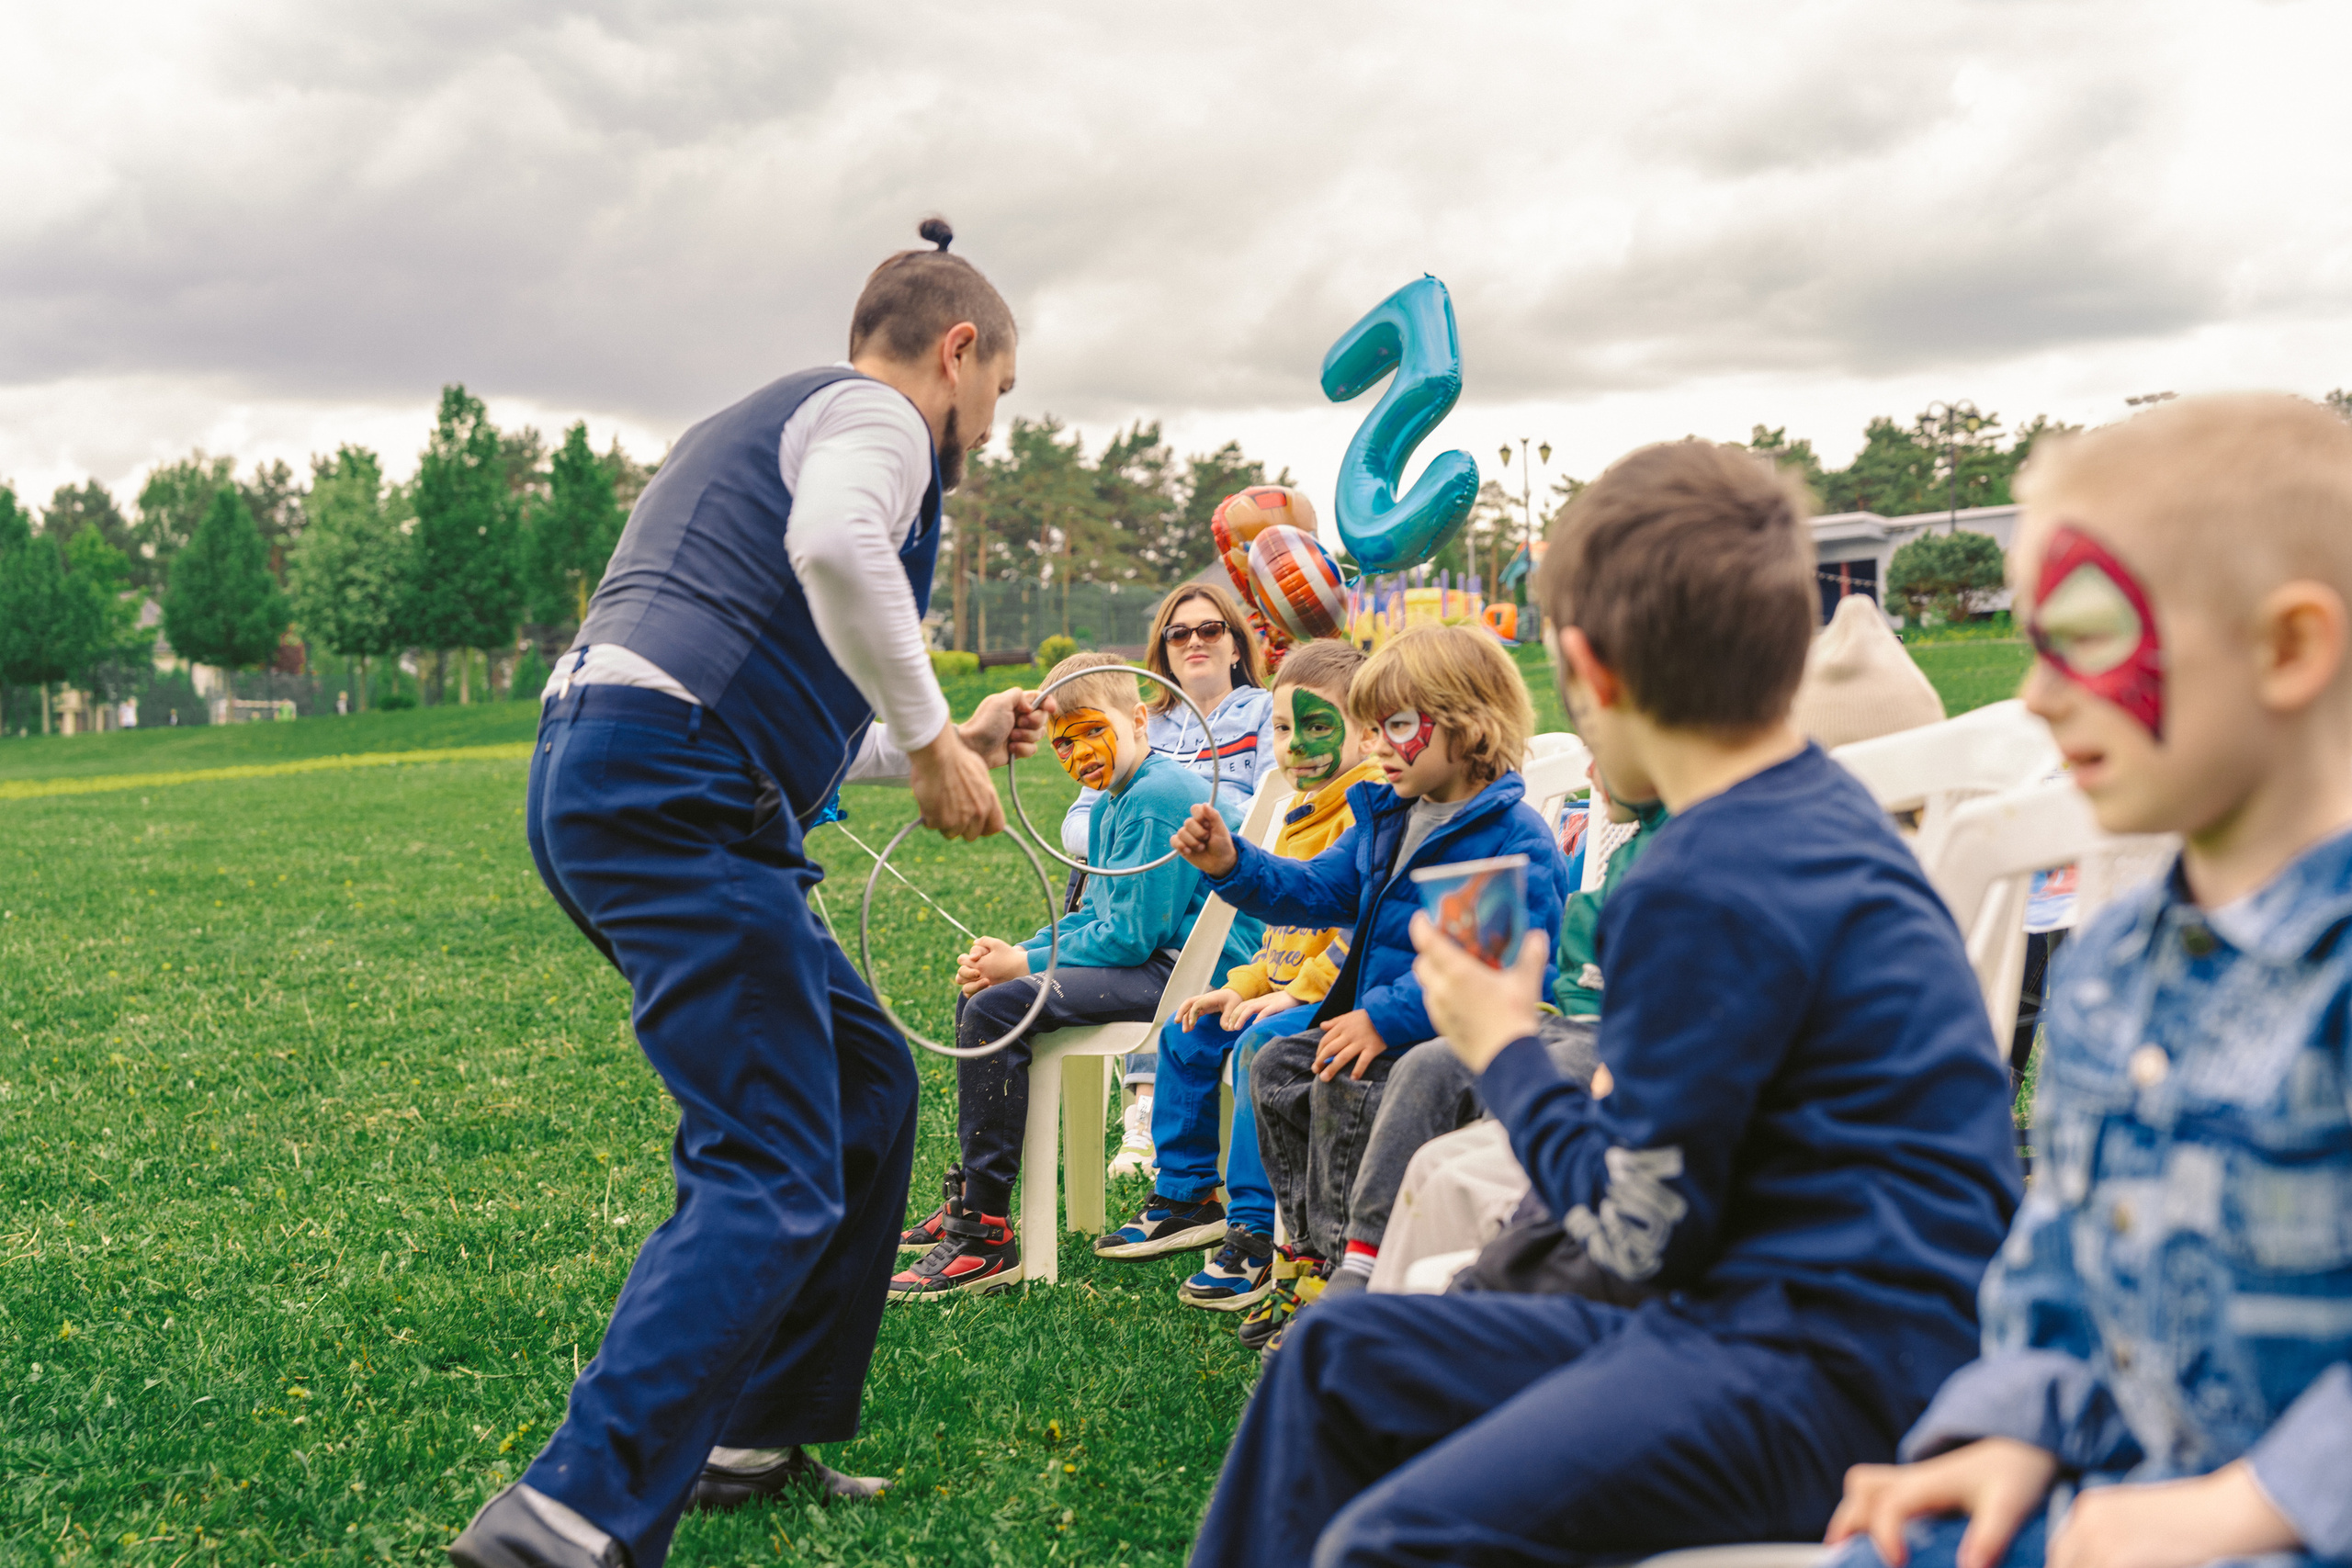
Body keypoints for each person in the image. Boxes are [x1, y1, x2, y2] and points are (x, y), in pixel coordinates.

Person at [1187, 439, 2023, 1568]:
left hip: (1812, 1380)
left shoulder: (1703, 880)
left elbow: (1637, 1233)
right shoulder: (1806, 819)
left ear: (1590, 671)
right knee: (1335, 1359)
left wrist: (1501, 1045)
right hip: (1786, 1325)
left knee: (1394, 1540)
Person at [450, 220, 1046, 1568]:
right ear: (956, 352)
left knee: (866, 1085)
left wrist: (942, 735)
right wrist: (934, 737)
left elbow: (776, 690)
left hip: (631, 764)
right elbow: (836, 547)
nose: (990, 429)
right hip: (676, 788)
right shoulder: (880, 420)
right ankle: (564, 1517)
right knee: (771, 1160)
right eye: (999, 393)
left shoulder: (766, 420)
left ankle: (750, 1438)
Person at [1826, 394, 2352, 1568]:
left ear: (2286, 649)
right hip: (2123, 1499)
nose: (2037, 693)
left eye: (2087, 636)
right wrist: (2017, 1425)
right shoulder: (2110, 967)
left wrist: (2252, 1503)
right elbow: (2060, 1260)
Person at [1170, 623, 1571, 1351]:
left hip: (1454, 1042)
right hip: (1382, 1027)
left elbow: (1480, 972)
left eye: (1398, 726)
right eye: (1373, 727)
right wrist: (1232, 863)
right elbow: (1311, 890)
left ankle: (1346, 1275)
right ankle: (1305, 1252)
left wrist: (1381, 1019)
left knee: (1343, 1080)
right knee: (1276, 1063)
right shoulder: (1390, 817)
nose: (1378, 745)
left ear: (1468, 726)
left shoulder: (1506, 835)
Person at [888, 653, 1261, 1299]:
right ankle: (975, 1199)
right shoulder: (1117, 799)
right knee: (987, 996)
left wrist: (1023, 966)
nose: (1079, 752)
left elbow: (1130, 937)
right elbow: (1097, 915)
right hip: (1154, 961)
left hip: (1191, 978)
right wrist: (1017, 952)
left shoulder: (1155, 798)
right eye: (1063, 743)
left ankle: (984, 1234)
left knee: (998, 1007)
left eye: (1093, 730)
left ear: (1138, 719)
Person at [1093, 638, 1386, 1310]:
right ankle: (1188, 1194)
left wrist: (1290, 995)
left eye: (1317, 726)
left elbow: (1360, 935)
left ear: (1368, 733)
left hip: (1341, 1002)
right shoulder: (1299, 811)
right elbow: (1280, 938)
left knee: (1260, 1046)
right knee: (1187, 1030)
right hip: (1287, 992)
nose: (1294, 745)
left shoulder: (1367, 808)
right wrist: (1241, 986)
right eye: (1280, 728)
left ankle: (1255, 1230)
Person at [1064, 579, 1281, 1175]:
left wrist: (1183, 813)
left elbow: (1274, 804)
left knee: (1160, 936)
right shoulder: (1143, 722)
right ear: (1162, 650)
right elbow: (1079, 818)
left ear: (1236, 644)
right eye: (1177, 633)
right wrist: (1140, 833)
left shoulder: (1265, 712)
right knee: (1144, 919)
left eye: (1210, 628)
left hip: (1225, 875)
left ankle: (1147, 1109)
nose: (1193, 641)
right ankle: (1145, 1112)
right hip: (1145, 867)